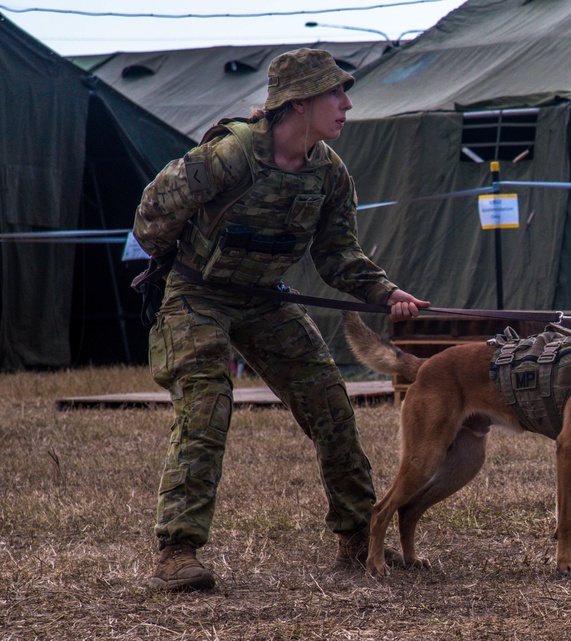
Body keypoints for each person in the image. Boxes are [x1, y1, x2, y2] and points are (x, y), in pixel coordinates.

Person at [132, 48, 429, 591]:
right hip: (197, 294)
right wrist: (182, 268)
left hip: (265, 298)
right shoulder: (229, 156)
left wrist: (384, 292)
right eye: (334, 93)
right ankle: (177, 552)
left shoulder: (329, 172)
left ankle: (360, 535)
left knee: (330, 402)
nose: (347, 103)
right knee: (206, 406)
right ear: (297, 104)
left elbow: (337, 255)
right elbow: (151, 219)